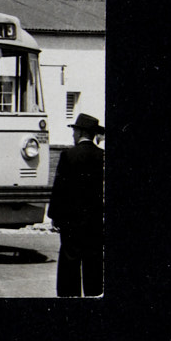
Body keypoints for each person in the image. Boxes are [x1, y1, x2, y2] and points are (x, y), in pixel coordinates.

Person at [48, 113, 104, 297]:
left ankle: (69, 295)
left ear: (80, 132)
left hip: (71, 219)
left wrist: (54, 216)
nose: (73, 135)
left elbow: (59, 188)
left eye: (74, 131)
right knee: (93, 257)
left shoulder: (68, 156)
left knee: (69, 258)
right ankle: (94, 293)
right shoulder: (101, 156)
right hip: (95, 218)